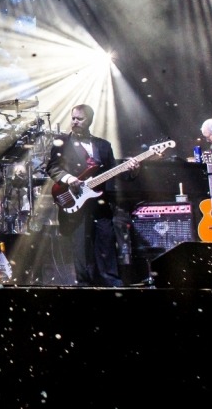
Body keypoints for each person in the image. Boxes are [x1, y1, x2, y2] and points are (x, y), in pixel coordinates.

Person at [44, 104, 136, 287]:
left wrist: (132, 170)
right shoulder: (62, 142)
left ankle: (112, 285)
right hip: (76, 199)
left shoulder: (103, 145)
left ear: (90, 120)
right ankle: (84, 285)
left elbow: (114, 172)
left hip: (100, 202)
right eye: (73, 118)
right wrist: (70, 179)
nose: (75, 122)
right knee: (81, 246)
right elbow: (53, 167)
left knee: (106, 242)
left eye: (80, 119)